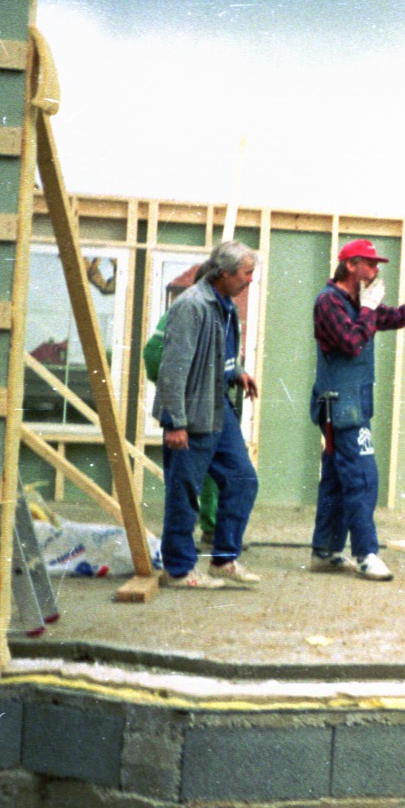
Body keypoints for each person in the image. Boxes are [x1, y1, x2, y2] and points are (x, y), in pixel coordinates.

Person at [309, 239, 405, 581]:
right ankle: (366, 554)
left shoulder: (355, 302)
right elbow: (354, 343)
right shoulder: (330, 302)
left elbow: (398, 317)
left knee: (339, 481)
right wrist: (369, 308)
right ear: (351, 265)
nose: (376, 270)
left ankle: (325, 551)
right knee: (362, 479)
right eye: (370, 264)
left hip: (349, 406)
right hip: (342, 408)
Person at [152, 241, 261, 589]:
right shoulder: (192, 307)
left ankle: (223, 559)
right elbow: (173, 369)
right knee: (185, 490)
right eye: (246, 274)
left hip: (218, 408)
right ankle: (178, 570)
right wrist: (174, 422)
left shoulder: (223, 306)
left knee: (243, 479)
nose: (249, 281)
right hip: (192, 414)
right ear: (225, 273)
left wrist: (237, 372)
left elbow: (221, 357)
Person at [143, 264, 218, 550]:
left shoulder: (213, 311)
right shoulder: (189, 311)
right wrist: (178, 403)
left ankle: (210, 530)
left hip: (208, 405)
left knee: (211, 472)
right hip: (190, 407)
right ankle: (185, 544)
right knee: (188, 475)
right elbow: (154, 356)